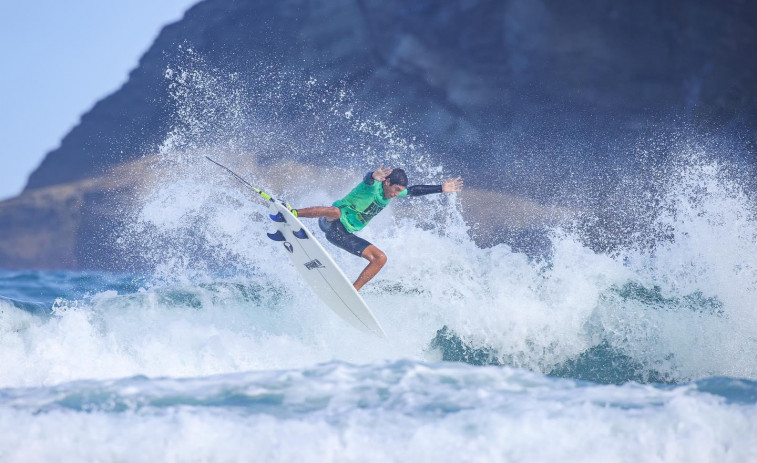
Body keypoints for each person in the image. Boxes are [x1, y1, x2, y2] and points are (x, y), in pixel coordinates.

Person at [291, 166, 463, 291]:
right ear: (387, 182)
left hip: (344, 234)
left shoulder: (395, 192)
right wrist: (373, 174)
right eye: (395, 189)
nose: (396, 194)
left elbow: (413, 191)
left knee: (380, 258)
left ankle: (353, 291)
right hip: (329, 223)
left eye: (399, 191)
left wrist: (441, 188)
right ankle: (293, 213)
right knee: (335, 211)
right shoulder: (372, 185)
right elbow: (368, 178)